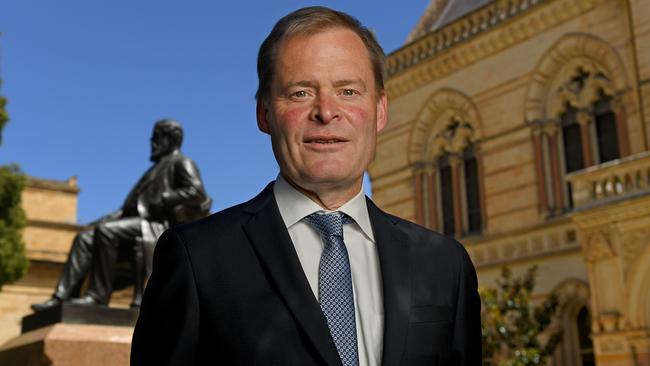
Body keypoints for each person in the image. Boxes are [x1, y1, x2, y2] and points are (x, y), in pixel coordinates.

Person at [131, 6, 481, 366]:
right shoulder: (196, 258)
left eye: (348, 91)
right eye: (300, 93)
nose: (326, 112)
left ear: (379, 111)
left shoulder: (445, 265)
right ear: (264, 114)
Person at [32, 119, 212, 310]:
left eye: (156, 138)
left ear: (170, 139)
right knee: (83, 237)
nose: (152, 143)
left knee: (106, 231)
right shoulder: (155, 168)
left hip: (155, 225)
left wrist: (166, 198)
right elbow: (127, 208)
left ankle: (97, 296)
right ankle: (62, 297)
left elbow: (197, 192)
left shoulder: (182, 162)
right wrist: (103, 219)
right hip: (136, 221)